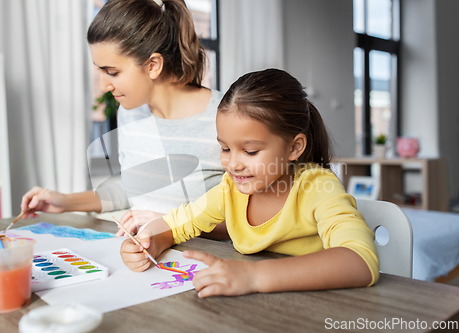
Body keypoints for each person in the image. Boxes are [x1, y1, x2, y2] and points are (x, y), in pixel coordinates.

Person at [120, 68, 380, 297]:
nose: (233, 164)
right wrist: (148, 242)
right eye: (225, 149)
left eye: (251, 151)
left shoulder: (317, 187)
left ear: (294, 147)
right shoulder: (230, 189)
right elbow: (175, 225)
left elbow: (360, 261)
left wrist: (254, 276)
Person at [20, 0, 229, 239]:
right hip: (143, 261)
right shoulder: (131, 113)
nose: (104, 86)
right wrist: (66, 202)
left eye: (112, 72)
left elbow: (255, 217)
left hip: (204, 267)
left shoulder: (225, 116)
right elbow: (136, 187)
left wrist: (171, 224)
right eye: (100, 71)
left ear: (153, 65)